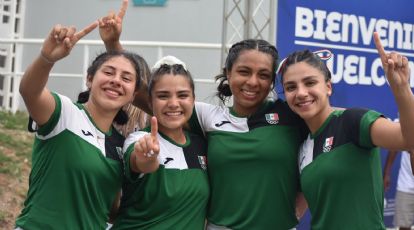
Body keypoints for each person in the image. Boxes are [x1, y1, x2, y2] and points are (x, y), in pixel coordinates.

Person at [100, 1, 308, 229]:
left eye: (263, 75)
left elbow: (320, 149)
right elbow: (145, 95)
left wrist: (297, 210)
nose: (252, 82)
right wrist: (113, 43)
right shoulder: (207, 117)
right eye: (243, 71)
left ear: (271, 81)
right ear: (228, 73)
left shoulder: (291, 115)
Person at [278, 32, 414, 230]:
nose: (301, 92)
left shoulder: (353, 121)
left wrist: (401, 87)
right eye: (290, 87)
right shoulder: (302, 144)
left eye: (310, 82)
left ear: (328, 87)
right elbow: (298, 210)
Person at [15, 22, 146, 229]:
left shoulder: (122, 146)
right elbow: (29, 91)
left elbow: (111, 210)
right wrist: (46, 59)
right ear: (89, 79)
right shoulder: (64, 113)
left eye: (126, 78)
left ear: (133, 95)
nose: (116, 81)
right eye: (109, 72)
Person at [111, 56, 209, 229]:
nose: (173, 104)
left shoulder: (201, 144)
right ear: (150, 101)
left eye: (182, 95)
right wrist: (146, 158)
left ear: (193, 100)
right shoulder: (139, 139)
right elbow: (140, 161)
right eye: (163, 96)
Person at [383, 92, 414, 230]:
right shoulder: (406, 123)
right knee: (404, 226)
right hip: (407, 185)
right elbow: (393, 150)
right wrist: (387, 173)